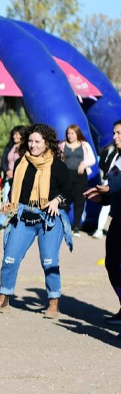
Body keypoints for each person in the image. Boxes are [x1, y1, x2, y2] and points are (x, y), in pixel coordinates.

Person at [0, 123, 73, 319]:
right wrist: (9, 204)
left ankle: (53, 301)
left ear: (47, 143)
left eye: (37, 142)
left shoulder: (57, 166)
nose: (32, 145)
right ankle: (4, 298)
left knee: (49, 260)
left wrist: (57, 201)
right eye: (30, 141)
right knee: (9, 258)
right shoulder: (20, 163)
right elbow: (17, 192)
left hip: (48, 219)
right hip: (23, 217)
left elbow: (69, 192)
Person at [84, 119, 121, 323]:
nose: (114, 137)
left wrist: (110, 190)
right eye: (114, 132)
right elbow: (115, 188)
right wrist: (103, 197)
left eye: (118, 133)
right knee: (112, 264)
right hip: (118, 219)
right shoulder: (116, 157)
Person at [60, 124, 96, 236]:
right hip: (66, 175)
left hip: (80, 176)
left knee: (79, 201)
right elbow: (57, 158)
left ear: (77, 134)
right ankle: (63, 226)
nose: (70, 136)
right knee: (64, 201)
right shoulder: (62, 145)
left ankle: (76, 226)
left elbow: (92, 159)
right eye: (68, 133)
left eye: (72, 133)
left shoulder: (84, 145)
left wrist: (83, 164)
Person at [0, 126, 27, 232]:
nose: (15, 136)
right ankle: (0, 223)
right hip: (9, 179)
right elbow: (3, 161)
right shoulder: (9, 147)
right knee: (6, 200)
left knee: (19, 202)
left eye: (17, 134)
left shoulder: (26, 147)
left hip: (20, 179)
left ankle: (17, 222)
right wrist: (7, 171)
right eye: (14, 134)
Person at [93, 141, 118, 238]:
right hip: (109, 181)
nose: (115, 136)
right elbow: (104, 165)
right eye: (114, 133)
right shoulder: (111, 150)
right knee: (106, 207)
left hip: (112, 181)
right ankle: (99, 229)